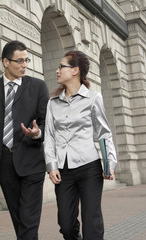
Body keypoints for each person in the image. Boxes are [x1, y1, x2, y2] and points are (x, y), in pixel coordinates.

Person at [0, 40, 49, 239]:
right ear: (6, 62)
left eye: (27, 60)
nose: (24, 65)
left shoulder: (38, 87)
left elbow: (46, 122)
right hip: (5, 164)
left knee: (28, 220)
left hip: (32, 161)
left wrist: (38, 133)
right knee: (19, 221)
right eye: (19, 61)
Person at [44, 50, 118, 240]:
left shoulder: (94, 98)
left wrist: (110, 164)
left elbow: (104, 133)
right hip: (63, 170)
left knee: (92, 224)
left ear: (75, 70)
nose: (57, 70)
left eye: (62, 66)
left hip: (89, 168)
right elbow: (49, 136)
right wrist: (51, 165)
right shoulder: (53, 103)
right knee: (66, 226)